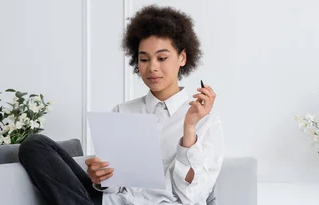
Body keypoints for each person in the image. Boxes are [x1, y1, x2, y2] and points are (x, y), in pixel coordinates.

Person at [18, 4, 225, 205]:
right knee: (35, 145)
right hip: (111, 202)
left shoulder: (206, 121)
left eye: (162, 58)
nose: (152, 67)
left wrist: (189, 131)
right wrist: (101, 178)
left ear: (182, 57)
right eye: (144, 59)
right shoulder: (123, 112)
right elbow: (115, 187)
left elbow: (192, 196)